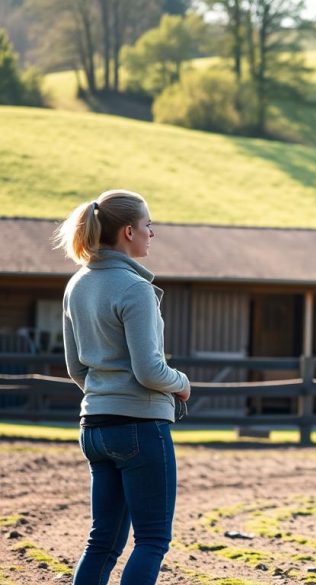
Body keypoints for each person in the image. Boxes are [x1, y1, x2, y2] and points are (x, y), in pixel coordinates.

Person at [55, 190, 191, 584]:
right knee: (151, 540)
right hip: (140, 427)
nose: (153, 232)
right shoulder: (135, 289)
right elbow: (150, 371)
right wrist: (182, 384)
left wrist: (102, 395)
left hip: (94, 427)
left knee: (101, 543)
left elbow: (75, 367)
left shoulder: (77, 285)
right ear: (129, 231)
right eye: (149, 225)